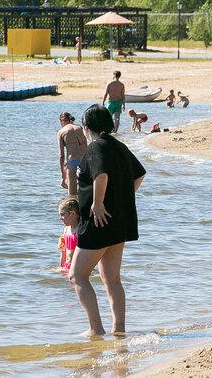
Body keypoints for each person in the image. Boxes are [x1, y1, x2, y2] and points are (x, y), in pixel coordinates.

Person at [70, 105, 146, 336]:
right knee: (111, 278)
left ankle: (96, 329)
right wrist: (121, 199)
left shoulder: (96, 147)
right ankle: (119, 330)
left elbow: (101, 174)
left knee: (77, 275)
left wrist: (99, 203)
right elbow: (140, 173)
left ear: (86, 127)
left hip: (99, 221)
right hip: (119, 221)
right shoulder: (119, 146)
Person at [58, 112, 88, 196]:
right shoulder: (80, 128)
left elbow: (61, 155)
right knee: (85, 193)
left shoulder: (61, 132)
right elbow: (86, 147)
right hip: (84, 161)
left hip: (72, 162)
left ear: (62, 121)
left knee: (72, 195)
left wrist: (63, 173)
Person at [58, 197, 80, 270]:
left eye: (62, 214)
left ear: (72, 214)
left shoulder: (79, 231)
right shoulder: (66, 230)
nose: (60, 218)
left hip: (77, 267)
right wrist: (62, 267)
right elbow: (63, 252)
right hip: (67, 265)